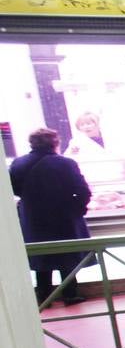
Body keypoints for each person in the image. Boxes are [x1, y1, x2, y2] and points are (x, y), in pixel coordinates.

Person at [10, 128, 92, 306]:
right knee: (66, 256)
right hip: (63, 217)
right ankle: (70, 294)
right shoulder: (65, 163)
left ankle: (44, 295)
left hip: (33, 218)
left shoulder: (18, 163)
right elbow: (83, 190)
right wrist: (78, 209)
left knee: (41, 256)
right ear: (55, 142)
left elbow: (13, 189)